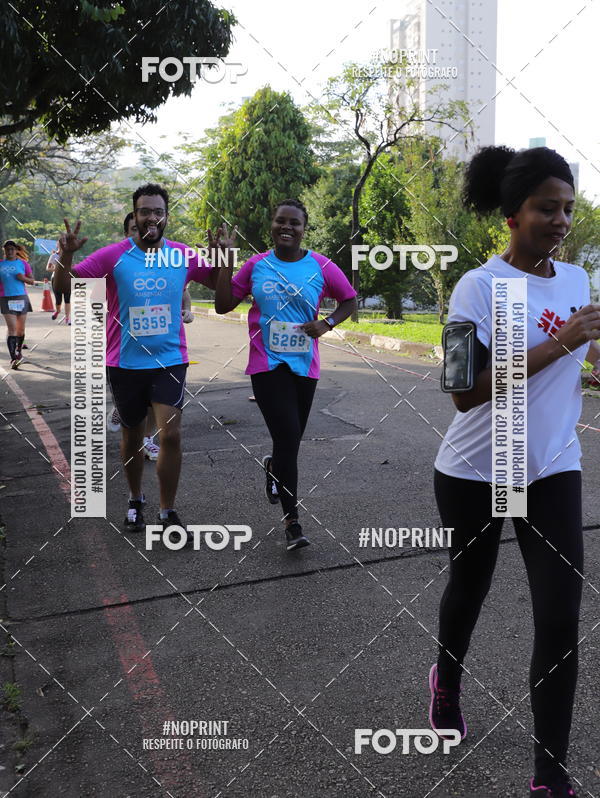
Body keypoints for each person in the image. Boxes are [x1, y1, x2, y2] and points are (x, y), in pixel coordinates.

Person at [431, 146, 600, 798]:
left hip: (553, 466)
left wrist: (585, 364)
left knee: (560, 618)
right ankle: (447, 680)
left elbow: (578, 361)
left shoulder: (577, 280)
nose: (561, 220)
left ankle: (549, 777)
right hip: (477, 469)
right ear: (512, 215)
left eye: (568, 208)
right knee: (469, 589)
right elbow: (461, 391)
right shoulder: (475, 287)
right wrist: (561, 343)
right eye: (546, 208)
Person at [53, 183, 219, 535]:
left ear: (166, 216)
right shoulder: (113, 256)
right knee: (132, 438)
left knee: (170, 435)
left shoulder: (182, 255)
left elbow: (222, 287)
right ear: (135, 215)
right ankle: (135, 499)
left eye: (158, 211)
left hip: (169, 360)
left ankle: (167, 510)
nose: (151, 218)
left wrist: (222, 258)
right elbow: (64, 288)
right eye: (145, 211)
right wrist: (66, 256)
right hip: (124, 362)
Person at [214, 199, 357, 551]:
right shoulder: (256, 265)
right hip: (266, 365)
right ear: (272, 225)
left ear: (304, 228)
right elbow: (222, 305)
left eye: (294, 222)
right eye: (281, 221)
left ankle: (274, 469)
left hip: (305, 366)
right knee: (289, 437)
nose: (287, 227)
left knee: (289, 442)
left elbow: (349, 300)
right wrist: (225, 262)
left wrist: (327, 324)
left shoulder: (321, 265)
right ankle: (293, 522)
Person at [106, 212, 196, 463]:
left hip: (164, 352)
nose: (141, 234)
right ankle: (126, 416)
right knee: (139, 405)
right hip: (126, 353)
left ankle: (147, 439)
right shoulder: (116, 263)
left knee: (157, 401)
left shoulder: (167, 262)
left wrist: (187, 310)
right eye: (134, 230)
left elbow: (183, 290)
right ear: (126, 235)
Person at [0, 240, 35, 368]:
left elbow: (32, 281)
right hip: (6, 298)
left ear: (16, 251)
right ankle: (14, 359)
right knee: (12, 329)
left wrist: (23, 278)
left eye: (12, 249)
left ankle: (18, 351)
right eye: (7, 249)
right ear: (4, 250)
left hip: (21, 298)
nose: (10, 251)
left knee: (20, 330)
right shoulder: (0, 264)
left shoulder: (23, 264)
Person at [46, 247, 71, 324]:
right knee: (58, 300)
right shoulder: (54, 256)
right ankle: (58, 311)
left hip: (66, 279)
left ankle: (67, 318)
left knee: (67, 299)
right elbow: (48, 268)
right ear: (58, 245)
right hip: (56, 279)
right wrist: (57, 269)